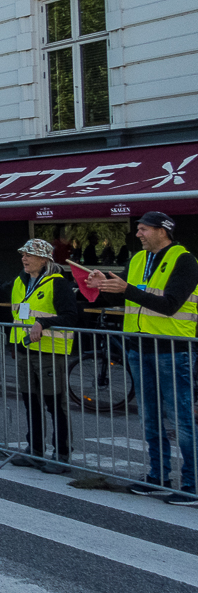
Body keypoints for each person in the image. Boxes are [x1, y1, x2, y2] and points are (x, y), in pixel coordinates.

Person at [90, 212, 197, 505]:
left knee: (181, 420)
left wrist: (127, 289)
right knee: (150, 417)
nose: (137, 234)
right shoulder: (137, 259)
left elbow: (170, 305)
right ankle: (158, 476)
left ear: (163, 231)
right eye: (138, 228)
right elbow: (124, 298)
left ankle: (192, 484)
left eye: (144, 229)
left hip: (173, 349)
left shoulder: (184, 260)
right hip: (139, 347)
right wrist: (103, 285)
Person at [0, 240, 76, 474]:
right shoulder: (21, 280)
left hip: (50, 351)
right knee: (31, 401)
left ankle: (61, 454)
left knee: (54, 404)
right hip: (23, 349)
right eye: (23, 254)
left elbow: (71, 316)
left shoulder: (58, 284)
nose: (24, 258)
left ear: (44, 259)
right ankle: (35, 450)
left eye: (29, 255)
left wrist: (44, 323)